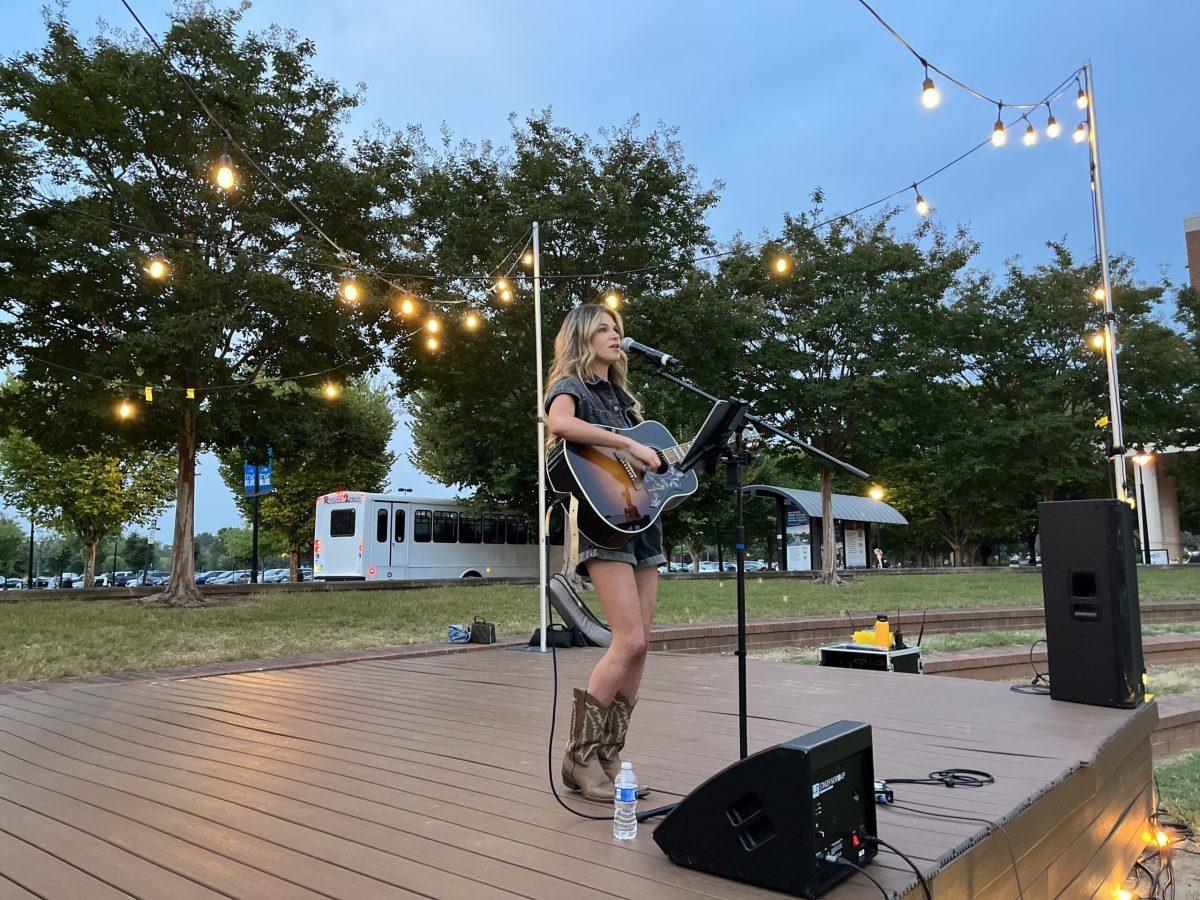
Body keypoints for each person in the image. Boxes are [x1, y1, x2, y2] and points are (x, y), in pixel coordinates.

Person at [544, 303, 664, 802]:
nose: (616, 336)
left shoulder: (623, 398)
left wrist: (664, 466)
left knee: (642, 645)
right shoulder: (572, 387)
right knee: (628, 641)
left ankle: (610, 754)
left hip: (645, 527)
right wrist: (630, 447)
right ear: (582, 337)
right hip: (607, 528)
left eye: (619, 329)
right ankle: (579, 754)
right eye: (604, 329)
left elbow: (642, 467)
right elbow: (560, 424)